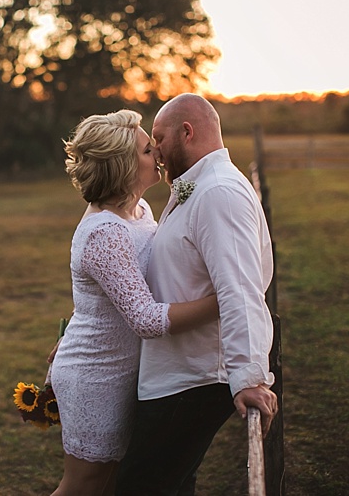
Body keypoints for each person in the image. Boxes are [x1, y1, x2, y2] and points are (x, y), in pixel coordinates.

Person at [49, 109, 221, 496]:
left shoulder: (138, 210)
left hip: (126, 371)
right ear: (125, 167)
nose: (159, 152)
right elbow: (144, 318)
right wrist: (223, 300)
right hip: (96, 376)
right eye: (148, 149)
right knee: (83, 486)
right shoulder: (105, 232)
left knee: (111, 484)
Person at [114, 94, 279, 496]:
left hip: (193, 379)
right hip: (174, 374)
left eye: (159, 137)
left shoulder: (219, 192)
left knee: (139, 488)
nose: (155, 150)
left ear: (187, 132)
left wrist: (249, 376)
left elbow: (240, 287)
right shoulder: (197, 187)